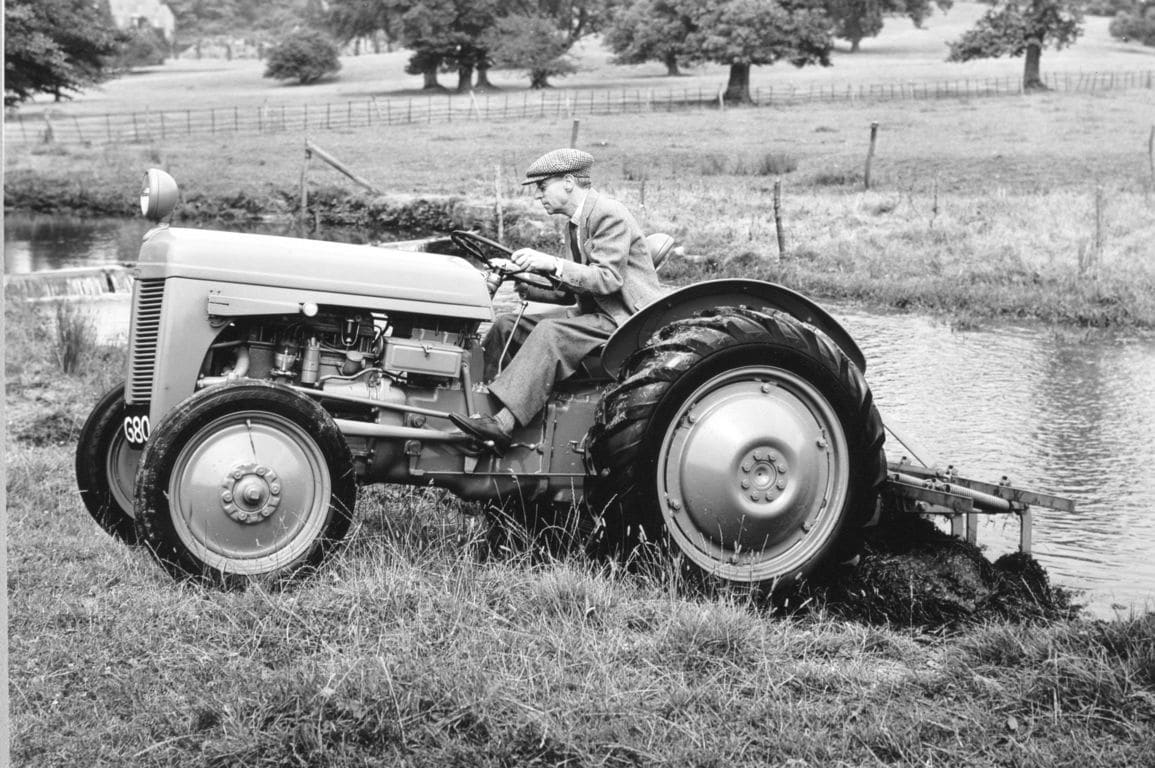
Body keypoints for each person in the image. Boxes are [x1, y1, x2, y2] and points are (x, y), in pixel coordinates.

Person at [450, 148, 663, 451]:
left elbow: (607, 279)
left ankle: (503, 425)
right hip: (595, 315)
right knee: (507, 325)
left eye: (541, 186)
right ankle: (482, 409)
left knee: (550, 334)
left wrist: (552, 263)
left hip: (625, 320)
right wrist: (521, 278)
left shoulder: (608, 213)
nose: (538, 196)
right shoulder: (574, 224)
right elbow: (567, 290)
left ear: (567, 181)